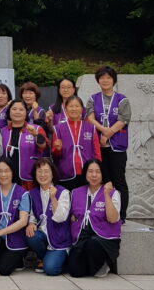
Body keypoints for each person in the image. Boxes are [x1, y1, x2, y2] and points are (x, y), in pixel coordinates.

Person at [86, 65, 130, 222]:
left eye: (108, 78)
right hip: (98, 147)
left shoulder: (122, 99)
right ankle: (104, 213)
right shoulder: (93, 98)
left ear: (113, 80)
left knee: (119, 180)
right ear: (98, 81)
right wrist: (103, 131)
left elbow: (123, 120)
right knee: (103, 180)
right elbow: (89, 118)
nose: (105, 80)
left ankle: (121, 215)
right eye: (102, 78)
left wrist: (107, 134)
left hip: (117, 147)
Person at [68, 158, 121, 277]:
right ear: (85, 173)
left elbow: (113, 219)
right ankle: (90, 267)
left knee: (92, 244)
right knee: (75, 272)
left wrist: (106, 194)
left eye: (97, 171)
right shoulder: (76, 192)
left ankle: (103, 264)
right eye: (90, 171)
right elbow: (72, 215)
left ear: (102, 174)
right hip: (82, 236)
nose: (94, 175)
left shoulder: (113, 193)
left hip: (105, 238)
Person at [0, 158, 30, 275]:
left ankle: (17, 259)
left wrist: (1, 232)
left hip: (15, 238)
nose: (3, 174)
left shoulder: (22, 193)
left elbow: (23, 221)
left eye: (6, 171)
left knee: (4, 270)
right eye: (0, 171)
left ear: (12, 172)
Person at [26, 158, 71, 275]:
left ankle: (60, 260)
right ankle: (43, 258)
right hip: (43, 235)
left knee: (50, 269)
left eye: (46, 171)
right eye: (39, 171)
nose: (42, 175)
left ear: (52, 174)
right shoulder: (32, 193)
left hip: (59, 239)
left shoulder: (63, 192)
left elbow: (61, 217)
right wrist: (31, 223)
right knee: (31, 235)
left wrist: (53, 198)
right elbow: (32, 213)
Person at [51, 96, 101, 189]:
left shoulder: (91, 127)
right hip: (65, 173)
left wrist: (99, 170)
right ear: (66, 109)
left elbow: (97, 152)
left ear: (82, 109)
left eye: (77, 106)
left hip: (87, 173)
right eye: (71, 106)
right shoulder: (58, 128)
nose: (74, 109)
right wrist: (57, 149)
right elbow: (54, 155)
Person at [0, 100, 48, 187]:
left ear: (26, 113)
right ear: (9, 112)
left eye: (21, 109)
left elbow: (44, 146)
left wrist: (36, 135)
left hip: (29, 180)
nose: (17, 112)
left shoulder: (36, 128)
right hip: (7, 179)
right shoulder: (2, 131)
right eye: (14, 109)